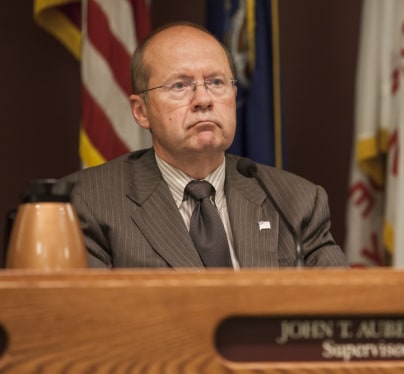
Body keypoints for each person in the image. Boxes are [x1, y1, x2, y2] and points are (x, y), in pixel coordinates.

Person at [61, 21, 348, 268]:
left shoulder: (296, 203)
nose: (203, 100)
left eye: (216, 82)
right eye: (180, 86)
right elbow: (90, 322)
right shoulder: (88, 204)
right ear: (141, 111)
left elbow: (344, 308)